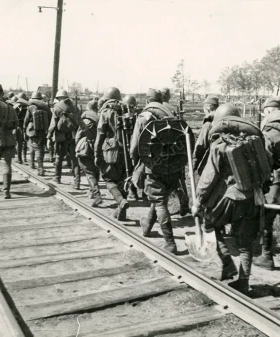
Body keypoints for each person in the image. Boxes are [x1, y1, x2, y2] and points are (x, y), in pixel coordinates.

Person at [192, 103, 270, 295]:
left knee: (209, 224)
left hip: (232, 197)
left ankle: (227, 264)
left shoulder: (219, 142)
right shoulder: (255, 139)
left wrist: (198, 203)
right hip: (254, 197)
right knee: (245, 242)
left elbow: (208, 179)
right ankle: (243, 281)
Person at [130, 88, 194, 254]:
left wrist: (137, 164)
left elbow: (135, 147)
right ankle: (147, 226)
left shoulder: (144, 116)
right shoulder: (171, 114)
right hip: (173, 164)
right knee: (160, 198)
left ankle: (170, 243)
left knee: (159, 201)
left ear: (147, 100)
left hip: (154, 165)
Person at [94, 87, 129, 220]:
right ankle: (121, 213)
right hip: (126, 151)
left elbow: (100, 136)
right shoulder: (126, 110)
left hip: (110, 152)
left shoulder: (105, 112)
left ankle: (120, 201)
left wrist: (97, 155)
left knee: (109, 180)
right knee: (122, 180)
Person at [253, 97, 280, 270]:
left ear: (269, 111)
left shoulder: (271, 132)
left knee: (267, 217)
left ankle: (266, 257)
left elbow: (265, 160)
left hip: (276, 180)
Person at [161, 87, 190, 216]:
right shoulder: (173, 109)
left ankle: (162, 209)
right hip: (177, 148)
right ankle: (184, 201)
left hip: (163, 149)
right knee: (179, 176)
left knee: (163, 179)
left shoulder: (159, 109)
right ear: (169, 96)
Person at [47, 89, 80, 189]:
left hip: (60, 136)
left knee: (59, 157)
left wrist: (49, 137)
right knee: (74, 159)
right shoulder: (74, 106)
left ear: (58, 97)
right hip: (73, 135)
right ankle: (77, 182)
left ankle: (57, 178)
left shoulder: (56, 108)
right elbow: (79, 121)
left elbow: (53, 125)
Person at [76, 100, 101, 206]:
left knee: (89, 172)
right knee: (95, 170)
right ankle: (91, 192)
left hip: (86, 148)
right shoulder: (99, 117)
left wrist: (77, 146)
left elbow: (78, 135)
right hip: (98, 147)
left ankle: (97, 195)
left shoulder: (86, 119)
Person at [23, 91, 51, 175]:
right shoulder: (46, 106)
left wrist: (24, 129)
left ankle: (38, 168)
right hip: (43, 130)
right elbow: (50, 118)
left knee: (33, 146)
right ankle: (39, 166)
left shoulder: (30, 106)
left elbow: (26, 119)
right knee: (41, 149)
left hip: (33, 130)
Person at [0, 85, 19, 198]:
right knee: (7, 164)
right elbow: (16, 125)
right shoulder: (10, 108)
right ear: (2, 94)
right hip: (8, 140)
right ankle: (6, 191)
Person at [192, 95, 219, 175]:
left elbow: (200, 147)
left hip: (213, 162)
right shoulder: (223, 120)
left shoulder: (208, 125)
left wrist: (193, 166)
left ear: (208, 109)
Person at [13, 92, 29, 163]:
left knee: (18, 143)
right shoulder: (28, 107)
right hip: (26, 126)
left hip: (18, 127)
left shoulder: (15, 107)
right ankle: (25, 157)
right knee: (25, 142)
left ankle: (19, 158)